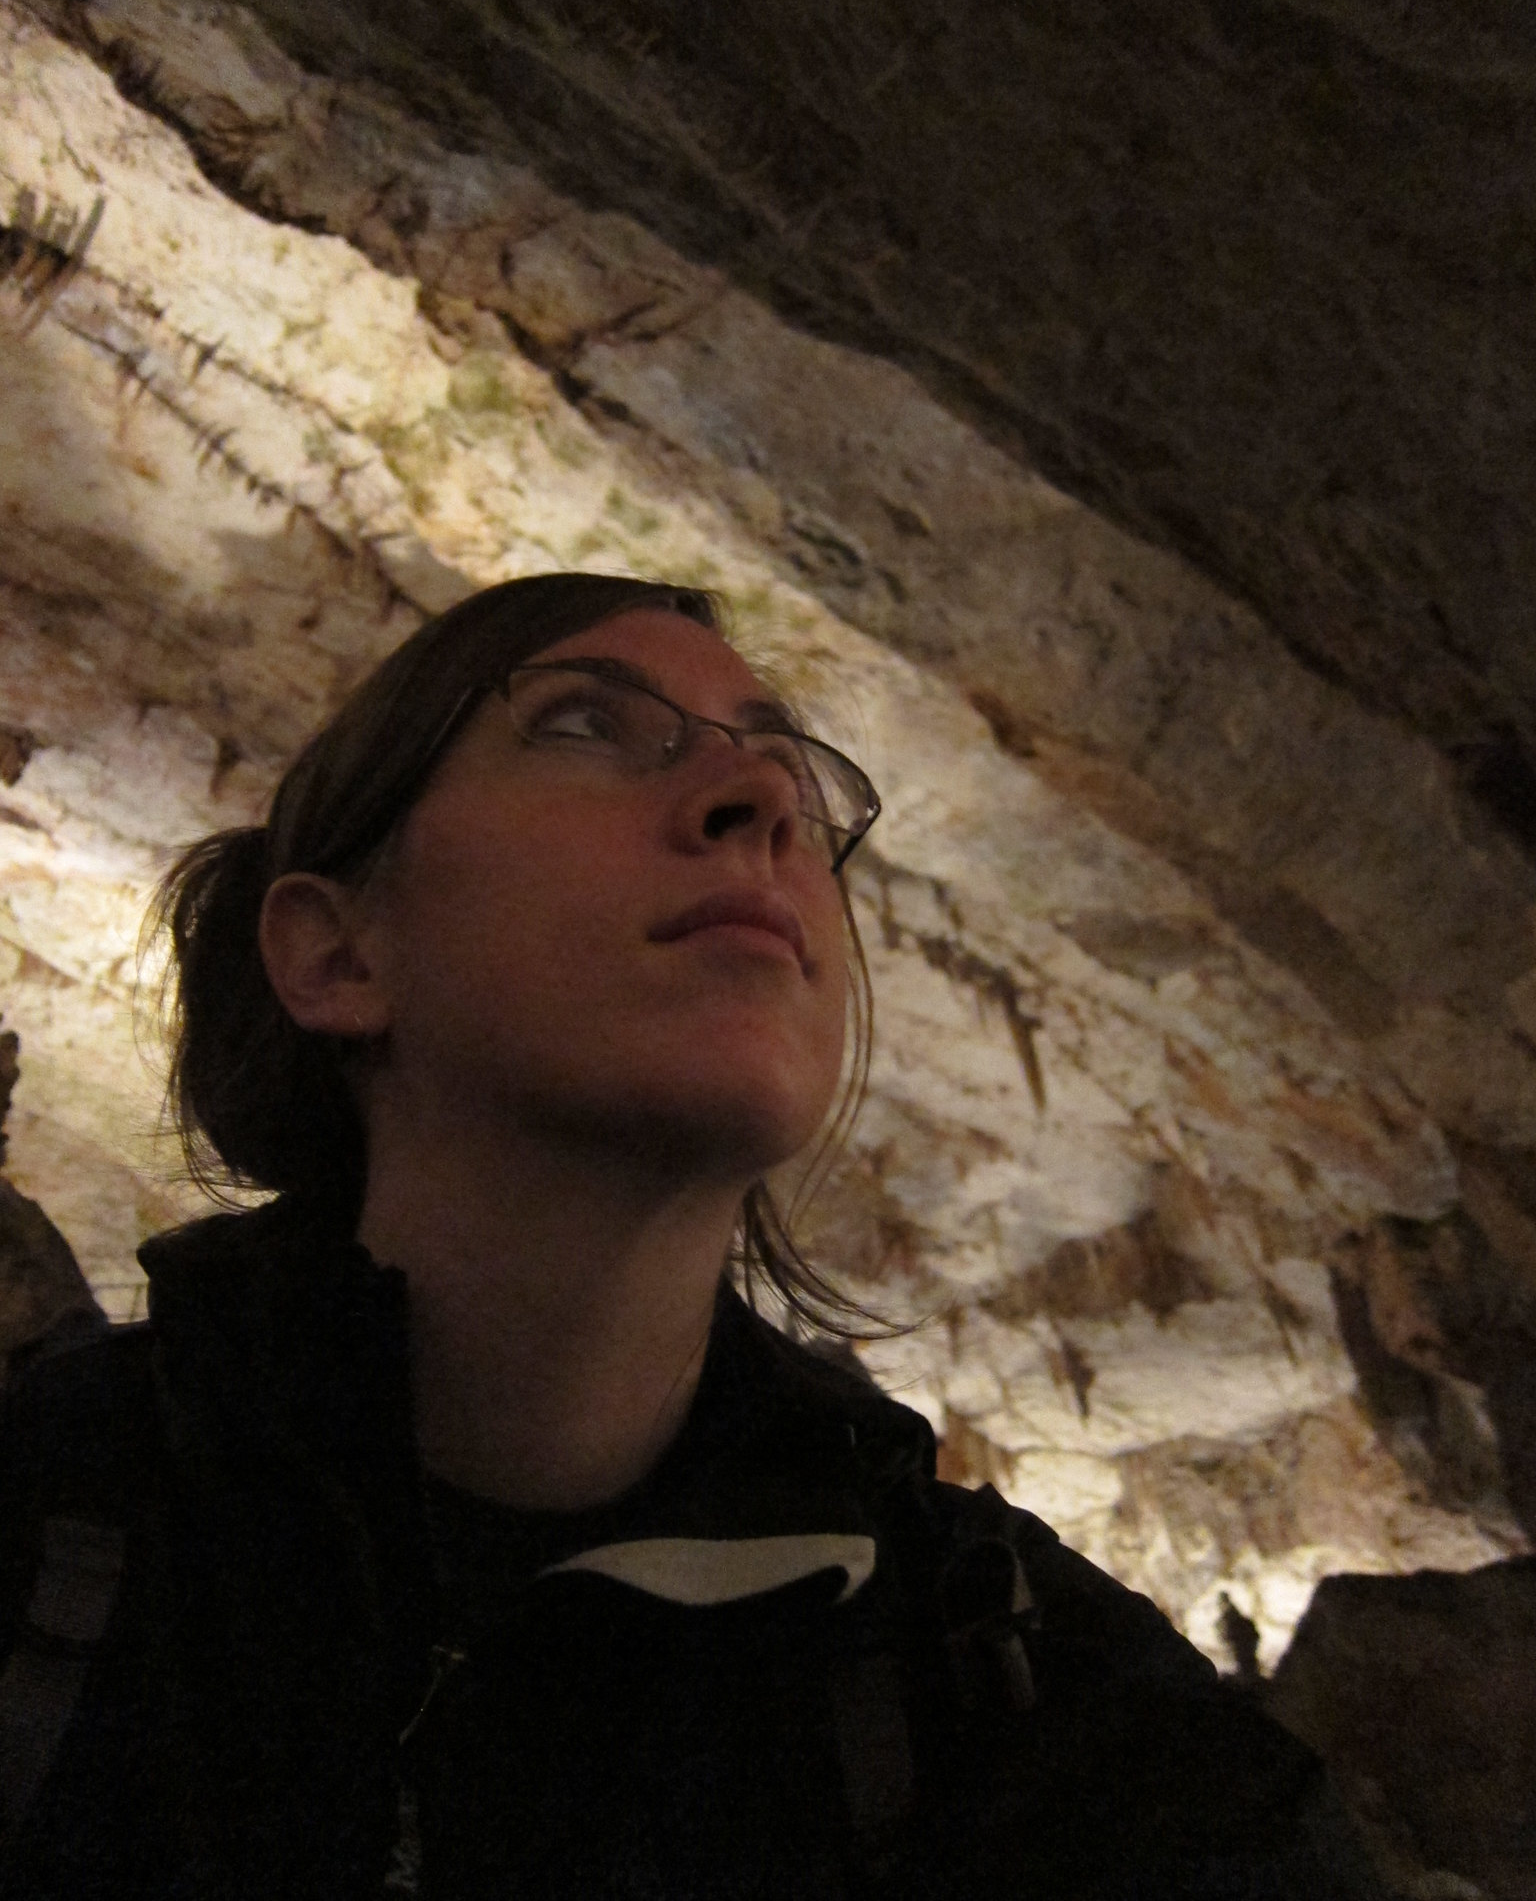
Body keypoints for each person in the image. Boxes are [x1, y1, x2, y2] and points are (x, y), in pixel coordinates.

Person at [0, 573, 1381, 1899]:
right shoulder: (54, 1526)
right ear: (337, 956)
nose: (764, 796)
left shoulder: (992, 1667)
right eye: (587, 722)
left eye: (789, 769)